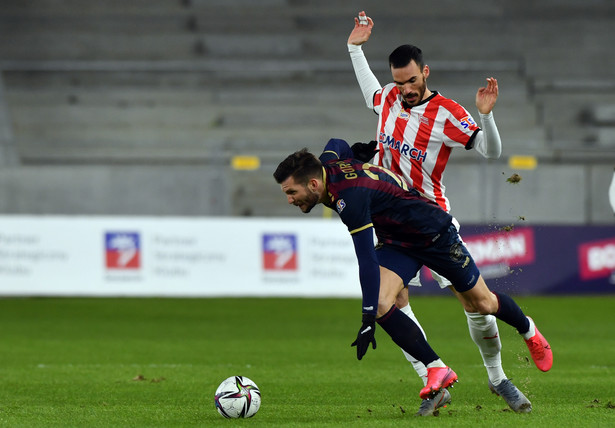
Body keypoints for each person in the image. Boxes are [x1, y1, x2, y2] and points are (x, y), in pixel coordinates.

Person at [346, 11, 539, 415]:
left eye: (411, 81)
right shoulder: (388, 101)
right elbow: (370, 91)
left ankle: (499, 376)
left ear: (425, 73)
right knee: (387, 301)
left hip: (431, 221)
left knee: (478, 303)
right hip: (392, 223)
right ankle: (433, 380)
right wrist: (354, 47)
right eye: (398, 83)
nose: (405, 90)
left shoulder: (447, 113)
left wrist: (485, 115)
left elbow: (490, 151)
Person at [273, 138, 552, 411]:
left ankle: (527, 329)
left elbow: (366, 260)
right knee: (385, 302)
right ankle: (436, 368)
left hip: (434, 234)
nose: (289, 200)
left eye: (291, 192)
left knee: (483, 304)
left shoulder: (350, 199)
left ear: (313, 184)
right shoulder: (327, 164)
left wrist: (367, 316)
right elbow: (336, 142)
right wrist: (357, 151)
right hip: (398, 242)